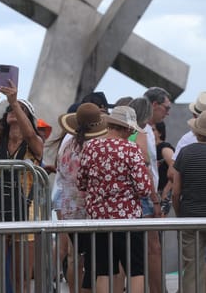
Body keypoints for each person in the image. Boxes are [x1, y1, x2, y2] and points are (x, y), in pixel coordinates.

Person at [0, 82, 43, 293]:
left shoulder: (36, 143)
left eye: (21, 110)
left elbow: (31, 136)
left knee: (21, 278)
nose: (14, 110)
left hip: (27, 213)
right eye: (12, 109)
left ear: (28, 118)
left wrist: (14, 101)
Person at [77, 106, 151, 293]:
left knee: (103, 271)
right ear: (126, 128)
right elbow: (144, 189)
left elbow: (81, 182)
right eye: (132, 129)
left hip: (98, 220)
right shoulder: (131, 149)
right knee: (136, 271)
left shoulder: (90, 147)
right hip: (128, 220)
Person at [56, 103, 108, 293]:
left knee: (75, 258)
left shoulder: (67, 145)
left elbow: (62, 175)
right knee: (97, 262)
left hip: (70, 210)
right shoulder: (96, 147)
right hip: (92, 210)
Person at [172, 111, 206, 293]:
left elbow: (176, 192)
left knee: (192, 266)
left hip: (190, 217)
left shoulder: (185, 152)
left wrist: (180, 215)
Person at [143, 87, 171, 293]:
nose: (167, 113)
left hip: (146, 197)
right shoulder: (144, 130)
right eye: (166, 108)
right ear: (154, 105)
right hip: (146, 198)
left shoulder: (147, 130)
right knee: (154, 249)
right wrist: (156, 199)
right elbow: (144, 167)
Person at [153, 122, 174, 216]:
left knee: (159, 220)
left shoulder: (165, 148)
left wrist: (166, 190)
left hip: (162, 190)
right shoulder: (149, 147)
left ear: (160, 133)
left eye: (153, 130)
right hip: (152, 191)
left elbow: (174, 168)